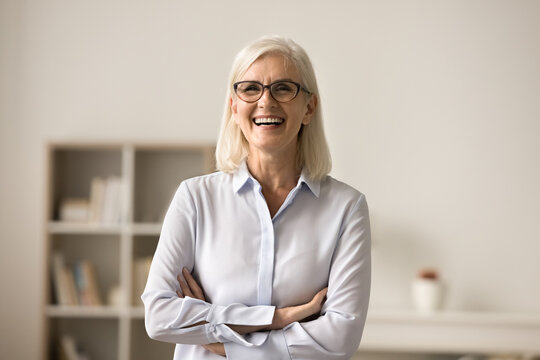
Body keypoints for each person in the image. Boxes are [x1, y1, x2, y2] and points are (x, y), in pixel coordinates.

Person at [142, 35, 371, 359]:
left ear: (309, 107)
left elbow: (339, 338)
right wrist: (279, 318)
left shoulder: (347, 209)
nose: (266, 101)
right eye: (250, 88)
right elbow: (159, 317)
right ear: (234, 107)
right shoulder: (194, 198)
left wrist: (216, 337)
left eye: (283, 88)